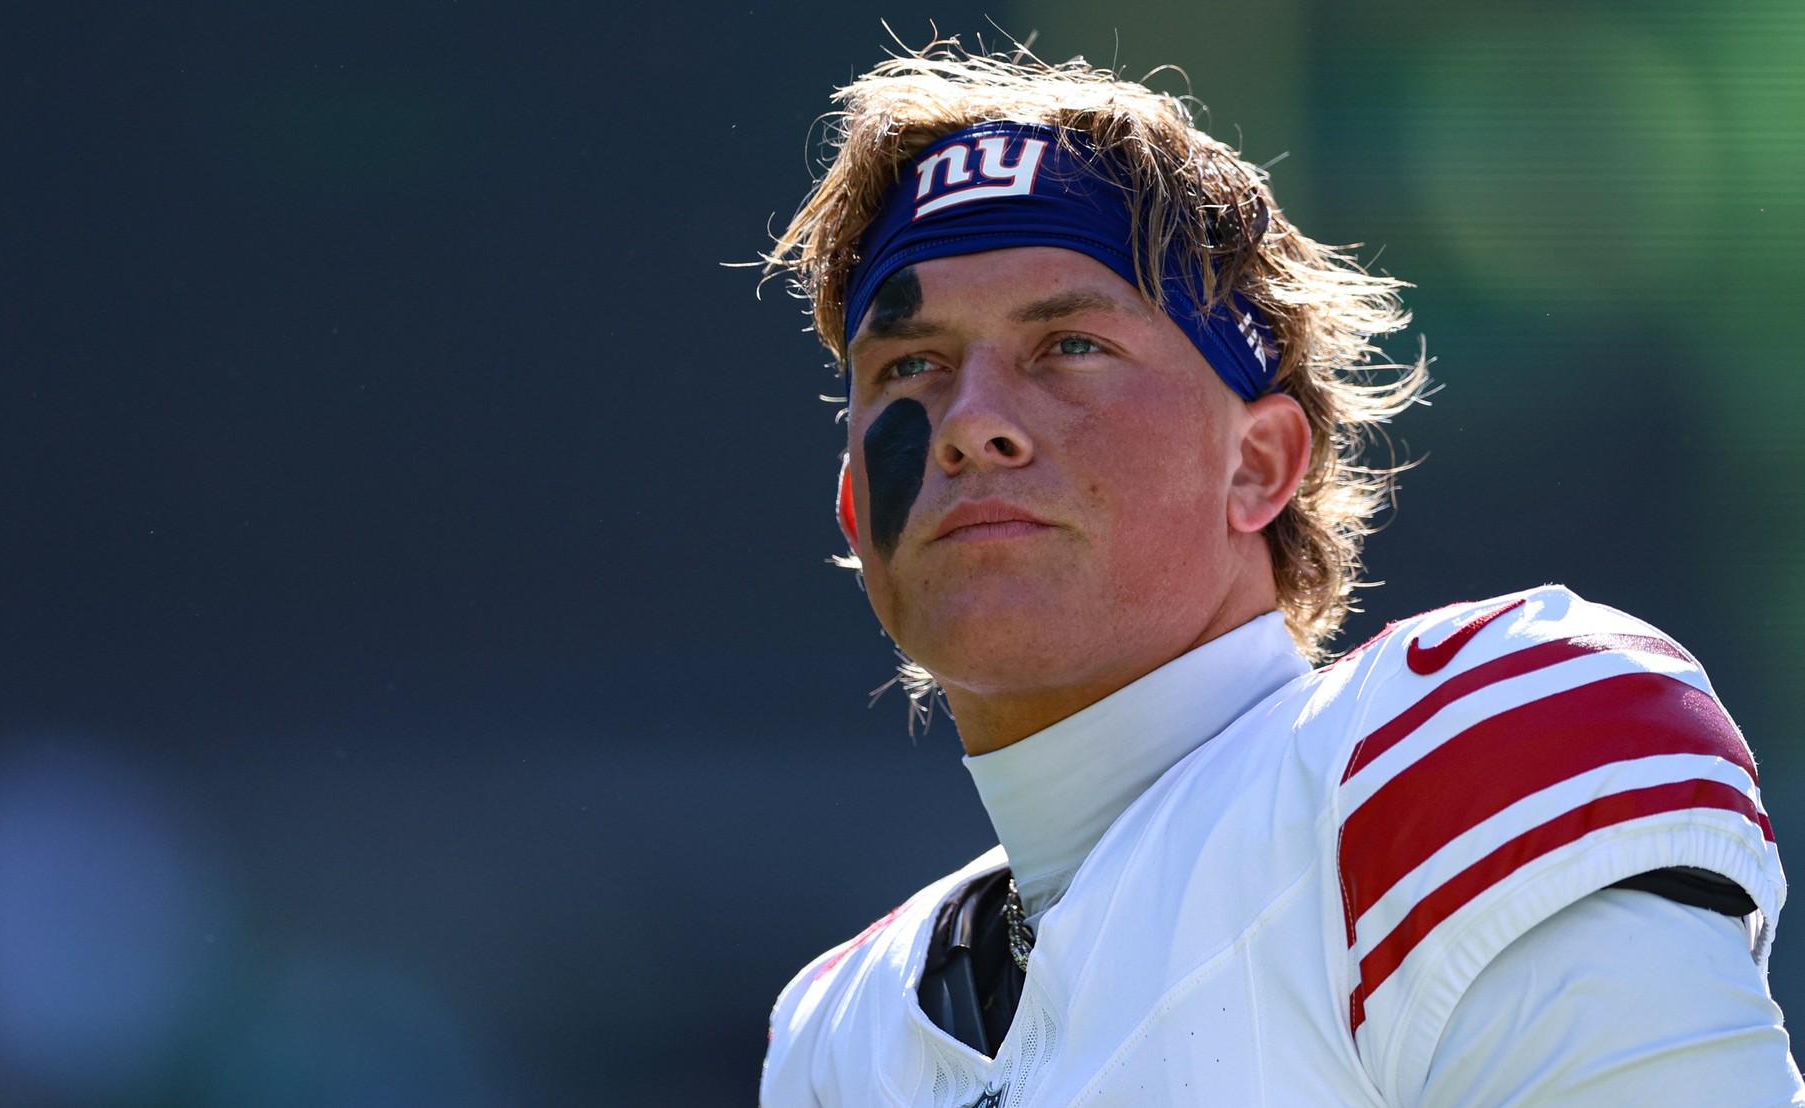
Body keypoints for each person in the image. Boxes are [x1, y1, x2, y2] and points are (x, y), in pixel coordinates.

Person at [756, 43, 1803, 1107]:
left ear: (1257, 464)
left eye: (1068, 345)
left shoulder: (1446, 764)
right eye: (912, 365)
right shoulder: (836, 1038)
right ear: (854, 507)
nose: (970, 421)